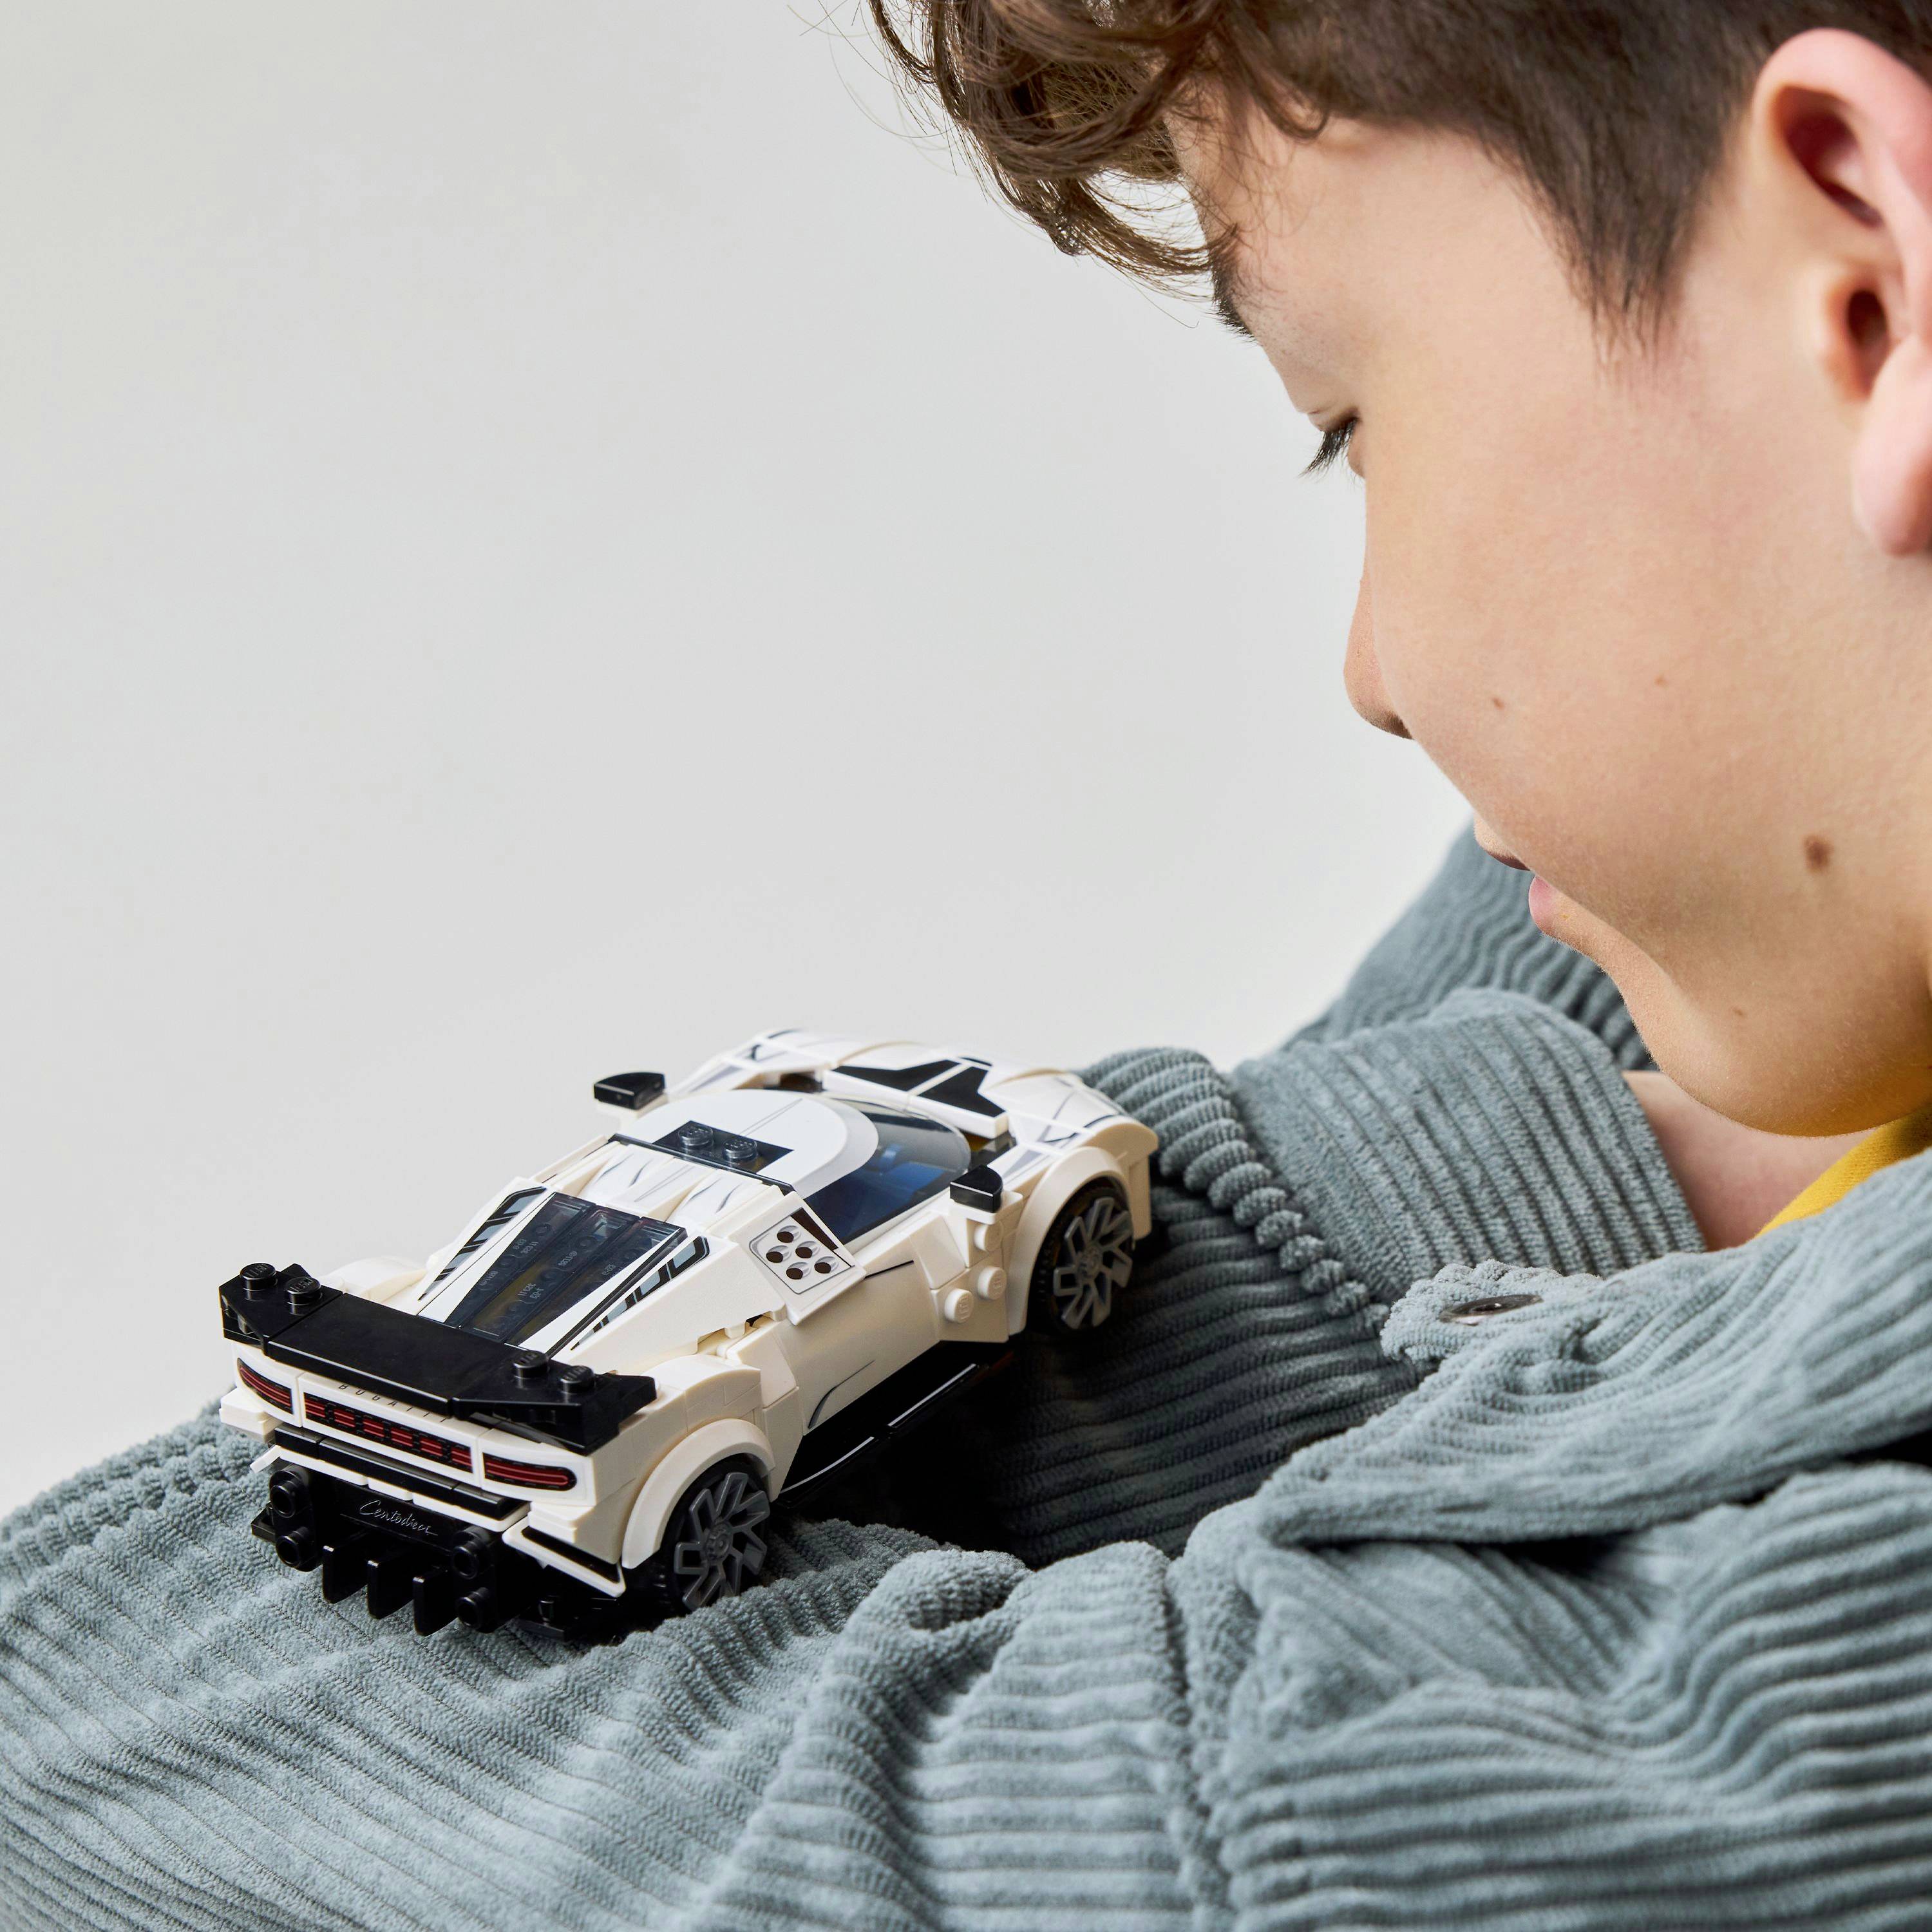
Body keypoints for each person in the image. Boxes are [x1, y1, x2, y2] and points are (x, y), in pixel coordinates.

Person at [6, 4, 1932, 1925]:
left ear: (1864, 276)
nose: (1374, 675)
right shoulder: (1758, 944)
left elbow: (79, 1715)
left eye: (1346, 422)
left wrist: (1538, 1156)